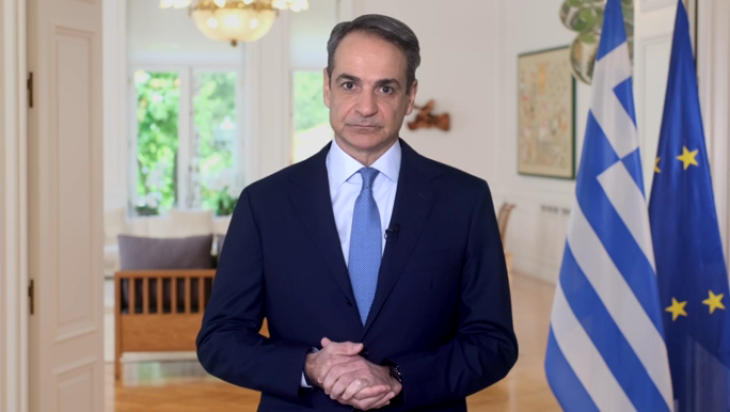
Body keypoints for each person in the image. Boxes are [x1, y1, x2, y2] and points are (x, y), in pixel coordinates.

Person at [196, 13, 518, 412]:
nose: (366, 107)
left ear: (410, 96)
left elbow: (493, 342)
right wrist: (310, 367)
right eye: (350, 85)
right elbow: (220, 339)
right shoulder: (264, 203)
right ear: (327, 87)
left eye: (385, 88)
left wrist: (398, 377)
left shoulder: (464, 199)